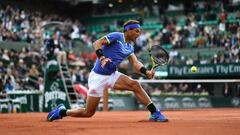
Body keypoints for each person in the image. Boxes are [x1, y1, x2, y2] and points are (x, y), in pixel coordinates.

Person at [47, 20, 168, 122]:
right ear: (128, 30)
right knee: (88, 112)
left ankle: (155, 113)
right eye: (137, 31)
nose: (139, 34)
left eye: (140, 31)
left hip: (112, 75)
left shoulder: (130, 46)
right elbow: (97, 43)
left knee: (135, 85)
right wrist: (102, 57)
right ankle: (62, 112)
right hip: (98, 77)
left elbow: (135, 64)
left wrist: (146, 71)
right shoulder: (117, 36)